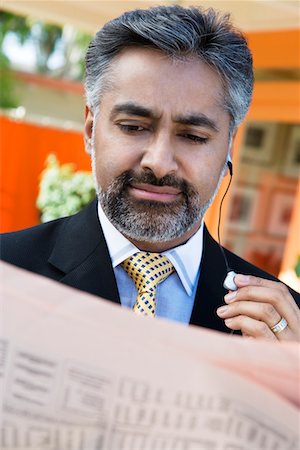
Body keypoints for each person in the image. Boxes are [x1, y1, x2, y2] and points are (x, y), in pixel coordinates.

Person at [1, 5, 299, 341]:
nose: (159, 162)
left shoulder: (286, 327)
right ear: (90, 129)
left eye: (193, 136)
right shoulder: (6, 275)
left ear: (229, 146)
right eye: (133, 127)